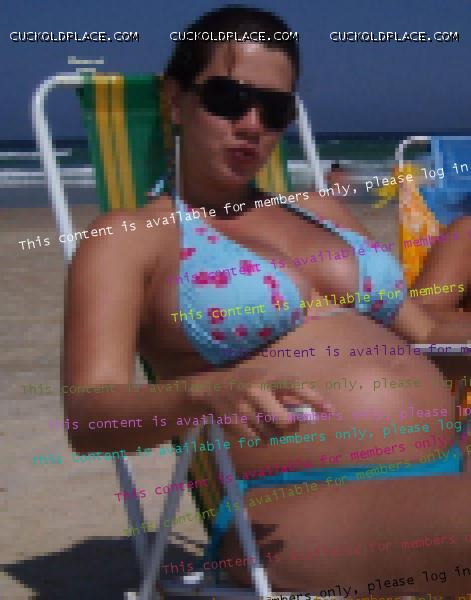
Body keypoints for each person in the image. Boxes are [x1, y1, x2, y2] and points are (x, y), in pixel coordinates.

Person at [63, 5, 471, 594]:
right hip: (299, 511)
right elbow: (88, 417)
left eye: (275, 109)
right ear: (175, 100)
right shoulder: (130, 237)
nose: (252, 124)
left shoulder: (322, 212)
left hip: (447, 469)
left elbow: (428, 334)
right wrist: (203, 393)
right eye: (228, 98)